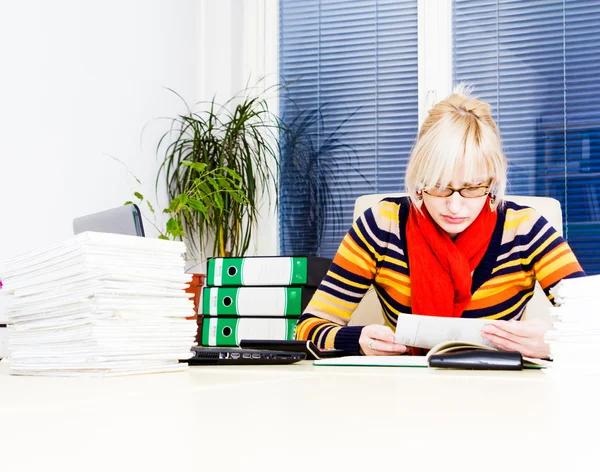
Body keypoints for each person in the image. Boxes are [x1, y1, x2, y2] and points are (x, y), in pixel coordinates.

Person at [296, 87, 585, 358]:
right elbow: (307, 329)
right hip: (408, 392)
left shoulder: (525, 228)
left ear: (493, 182)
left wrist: (553, 342)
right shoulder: (381, 226)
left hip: (500, 395)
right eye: (439, 186)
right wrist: (356, 340)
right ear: (419, 180)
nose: (455, 206)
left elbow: (592, 326)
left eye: (472, 188)